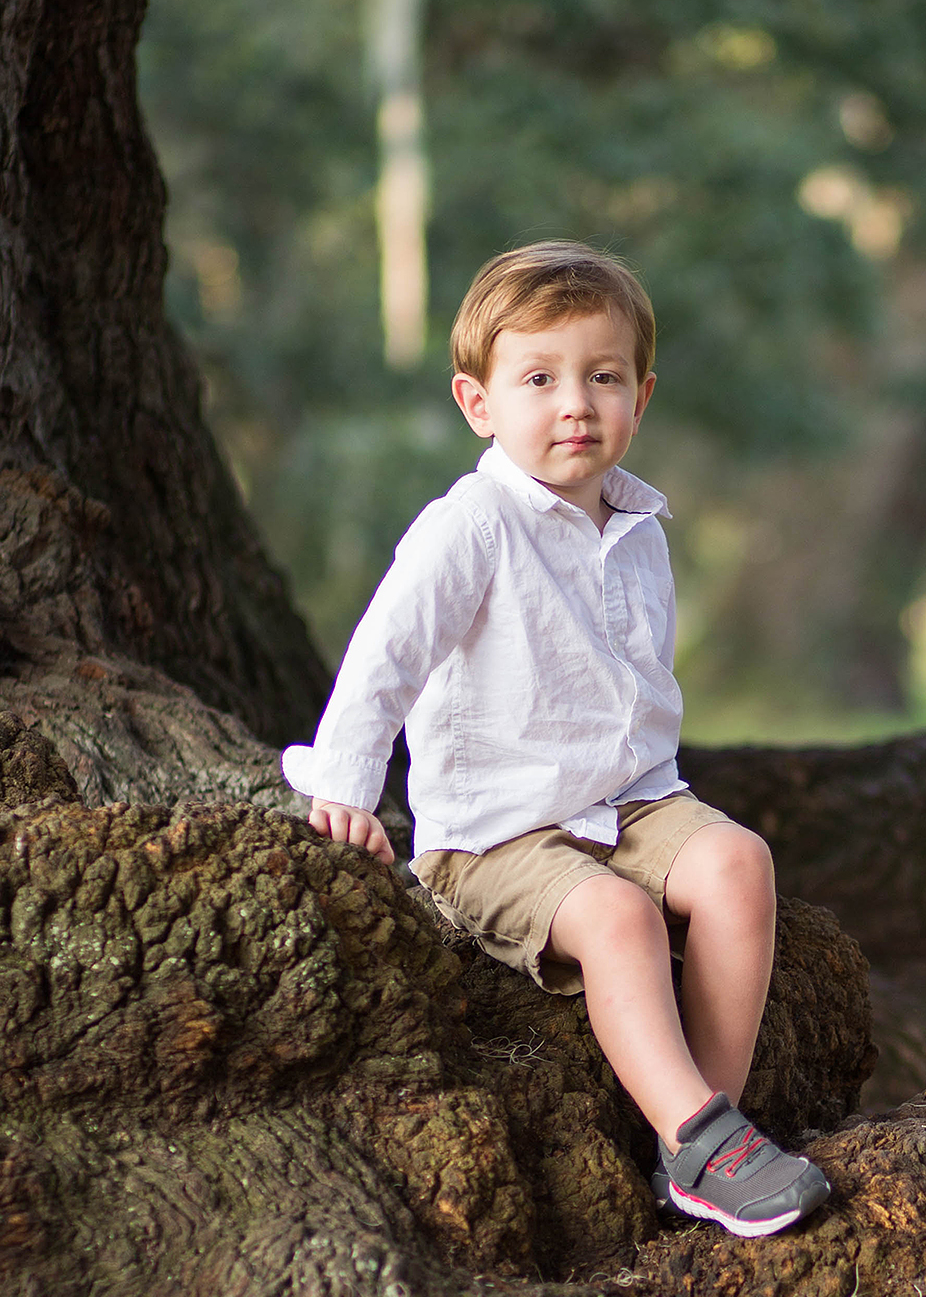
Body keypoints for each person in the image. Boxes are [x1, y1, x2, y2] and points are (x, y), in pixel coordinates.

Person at [282, 239, 832, 1240]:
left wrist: (663, 814)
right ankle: (701, 1138)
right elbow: (384, 657)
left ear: (641, 397)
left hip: (630, 804)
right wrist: (348, 784)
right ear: (478, 404)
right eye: (539, 378)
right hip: (498, 836)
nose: (574, 403)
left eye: (602, 377)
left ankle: (700, 1140)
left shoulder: (641, 531)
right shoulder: (471, 527)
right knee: (617, 920)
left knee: (736, 865)